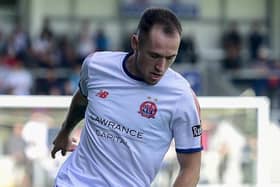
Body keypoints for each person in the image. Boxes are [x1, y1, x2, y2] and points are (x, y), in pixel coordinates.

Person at [51, 7, 202, 187]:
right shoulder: (96, 66)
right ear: (135, 43)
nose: (161, 67)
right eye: (154, 56)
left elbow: (191, 169)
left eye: (170, 58)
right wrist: (65, 131)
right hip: (72, 181)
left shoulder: (183, 97)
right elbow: (82, 98)